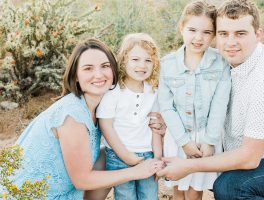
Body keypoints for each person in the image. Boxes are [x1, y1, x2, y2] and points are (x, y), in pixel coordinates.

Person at [157, 0, 264, 199]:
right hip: (242, 154)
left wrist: (188, 166)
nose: (230, 42)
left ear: (258, 34)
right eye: (224, 34)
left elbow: (250, 158)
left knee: (229, 187)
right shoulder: (224, 63)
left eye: (240, 33)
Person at [0, 38, 165, 199]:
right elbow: (81, 180)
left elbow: (133, 124)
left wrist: (160, 125)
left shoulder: (101, 105)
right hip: (30, 195)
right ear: (76, 75)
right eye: (88, 69)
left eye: (105, 66)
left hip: (66, 189)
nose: (98, 74)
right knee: (109, 160)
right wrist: (137, 172)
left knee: (106, 154)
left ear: (114, 70)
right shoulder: (72, 115)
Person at [158, 1, 231, 199]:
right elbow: (166, 107)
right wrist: (183, 141)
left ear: (214, 35)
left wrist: (209, 141)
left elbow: (219, 105)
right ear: (182, 27)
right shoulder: (167, 65)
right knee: (177, 187)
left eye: (207, 32)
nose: (198, 38)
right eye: (192, 30)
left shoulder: (221, 63)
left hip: (206, 135)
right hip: (179, 137)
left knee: (194, 191)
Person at [95, 33, 162, 200]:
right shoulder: (113, 91)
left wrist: (158, 157)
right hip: (118, 155)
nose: (142, 65)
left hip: (147, 154)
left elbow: (155, 127)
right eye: (135, 59)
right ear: (124, 61)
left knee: (149, 196)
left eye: (148, 60)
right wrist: (126, 156)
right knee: (126, 196)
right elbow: (106, 126)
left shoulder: (153, 91)